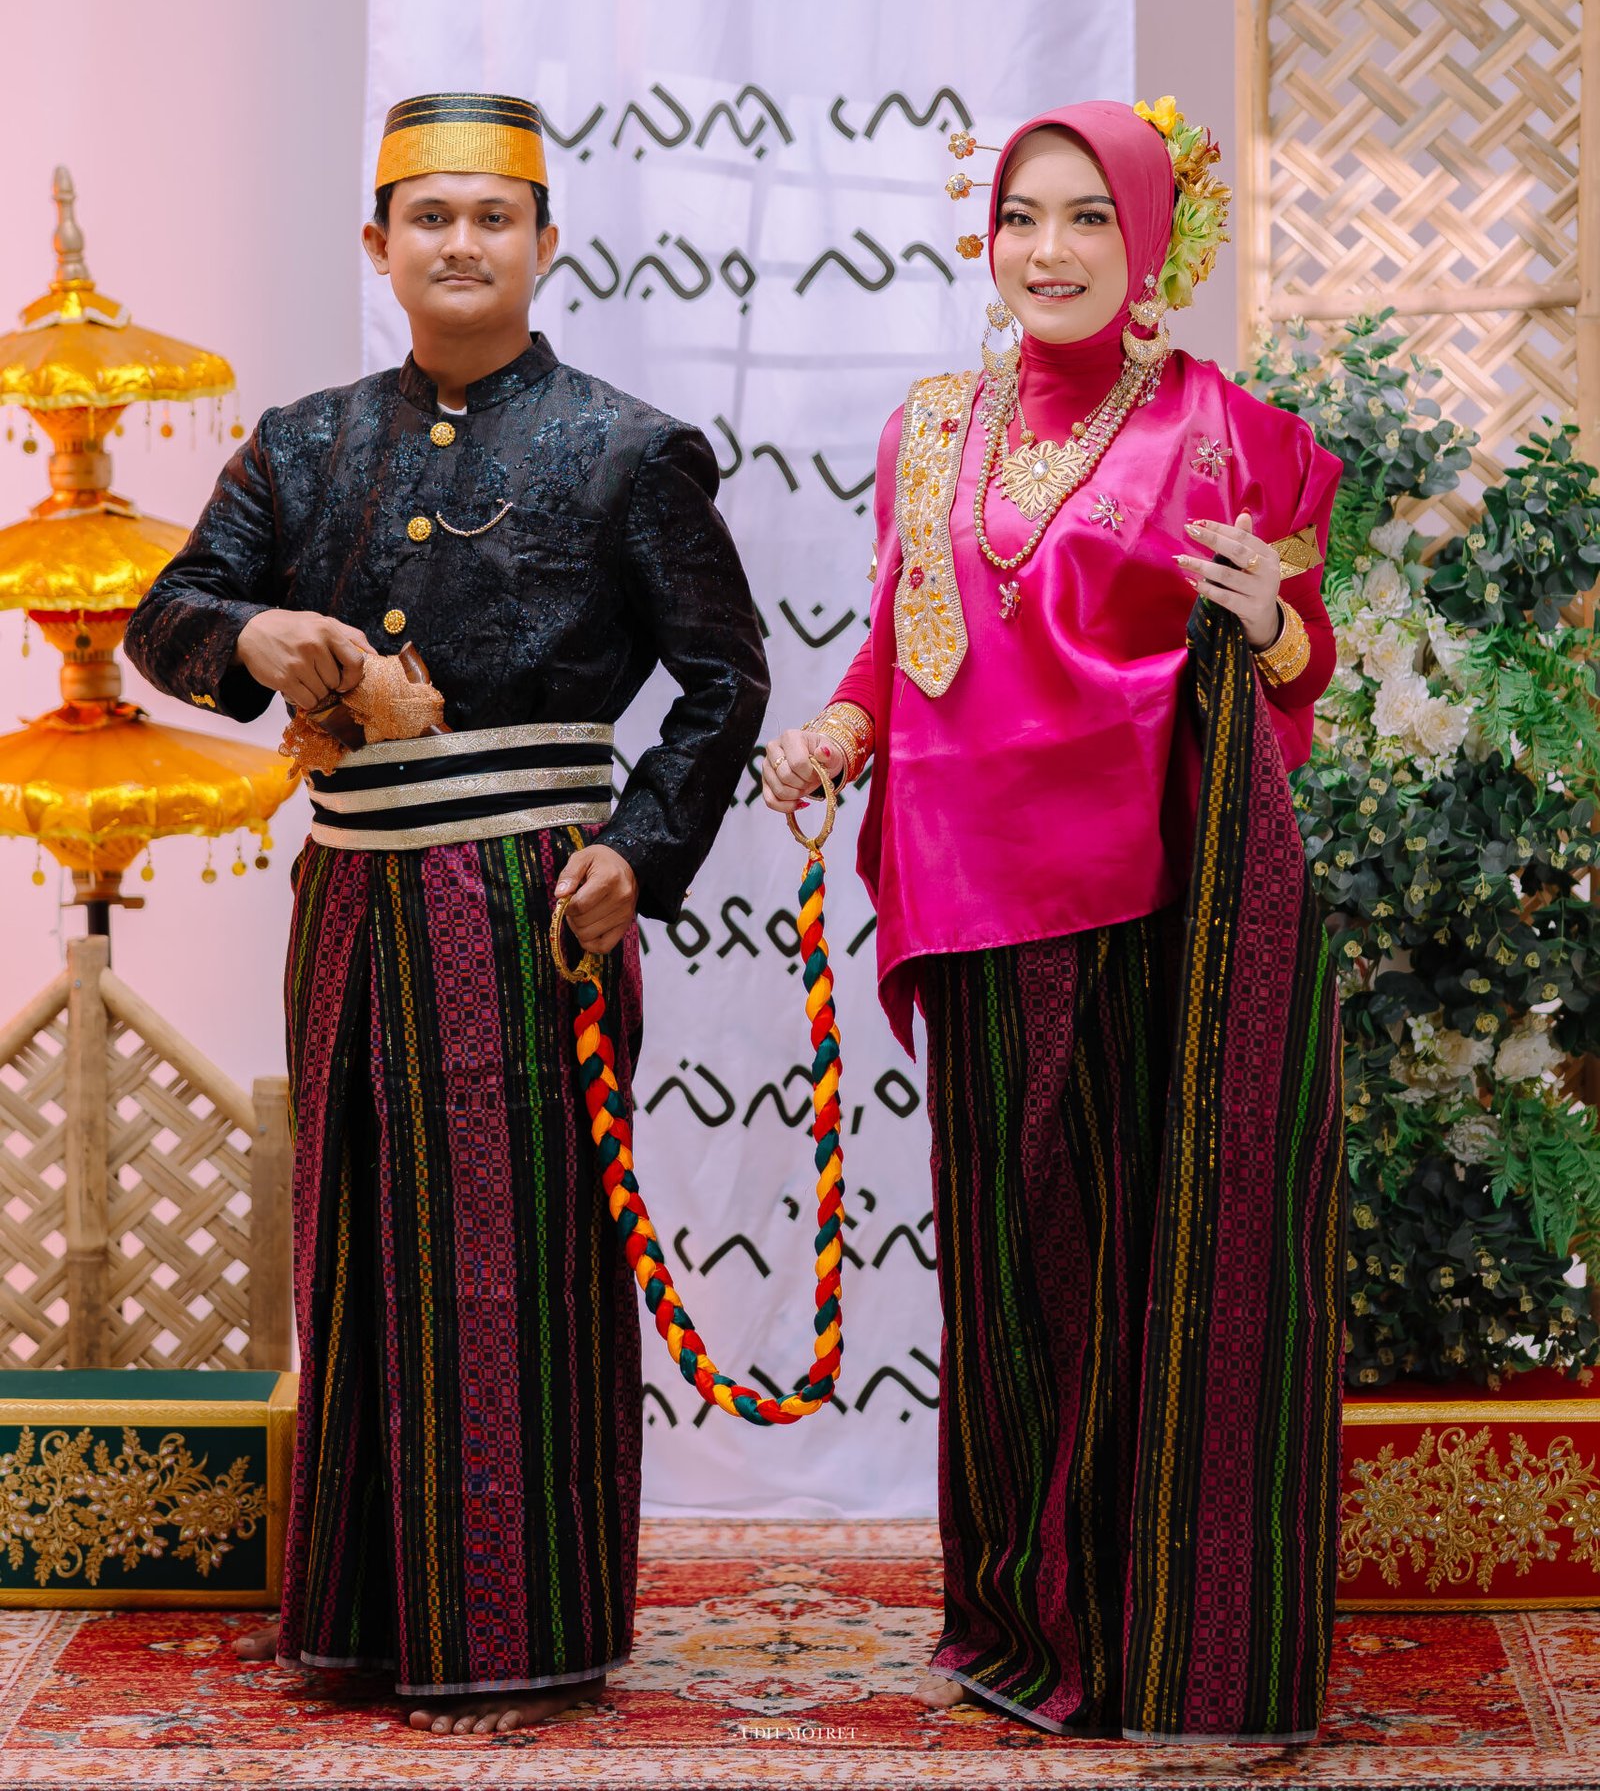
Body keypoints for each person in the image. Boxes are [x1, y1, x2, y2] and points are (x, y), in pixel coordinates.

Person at [126, 91, 768, 1736]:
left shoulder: (628, 449)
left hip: (529, 905)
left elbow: (725, 680)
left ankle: (518, 1633)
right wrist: (252, 637)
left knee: (512, 1260)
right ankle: (361, 1622)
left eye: (494, 216)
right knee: (352, 1246)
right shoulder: (303, 442)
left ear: (547, 245)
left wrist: (642, 851)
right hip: (349, 893)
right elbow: (166, 614)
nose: (461, 243)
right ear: (378, 243)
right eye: (430, 216)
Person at [763, 99, 1344, 1745]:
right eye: (1023, 215)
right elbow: (896, 631)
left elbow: (1302, 672)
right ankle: (1022, 1620)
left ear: (1150, 238)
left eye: (1091, 216)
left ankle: (1164, 1635)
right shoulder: (929, 425)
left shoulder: (1232, 433)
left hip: (1156, 898)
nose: (1052, 248)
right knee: (1013, 1280)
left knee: (1155, 1266)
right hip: (968, 891)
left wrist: (1273, 627)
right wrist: (836, 736)